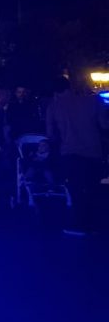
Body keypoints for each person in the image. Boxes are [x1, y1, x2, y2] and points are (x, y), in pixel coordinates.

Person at [45, 75, 109, 235]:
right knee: (93, 189)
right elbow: (105, 124)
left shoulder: (54, 106)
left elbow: (51, 134)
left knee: (77, 190)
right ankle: (96, 223)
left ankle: (80, 225)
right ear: (70, 87)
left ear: (54, 92)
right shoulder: (93, 101)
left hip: (70, 152)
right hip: (94, 152)